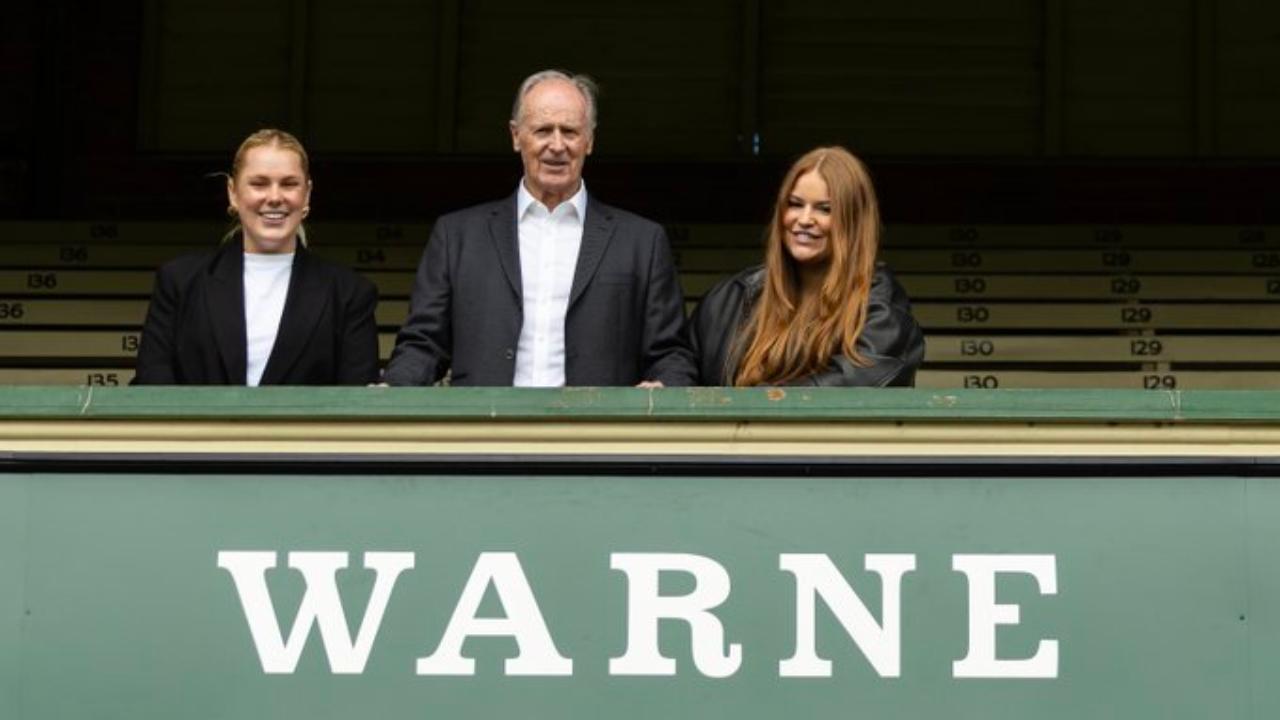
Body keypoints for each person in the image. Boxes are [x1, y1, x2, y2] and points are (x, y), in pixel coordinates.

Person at [383, 69, 696, 387]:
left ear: (589, 141)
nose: (557, 145)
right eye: (543, 130)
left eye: (570, 131)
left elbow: (670, 354)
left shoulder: (642, 242)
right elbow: (422, 346)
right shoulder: (457, 236)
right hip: (485, 432)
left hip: (595, 433)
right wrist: (392, 390)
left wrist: (666, 386)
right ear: (516, 136)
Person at [133, 128, 380, 385]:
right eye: (259, 184)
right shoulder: (179, 282)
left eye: (289, 184)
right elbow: (152, 387)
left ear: (307, 194)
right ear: (233, 192)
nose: (274, 197)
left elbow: (356, 406)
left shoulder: (351, 293)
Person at [691, 146, 924, 386]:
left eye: (825, 209)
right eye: (795, 204)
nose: (804, 220)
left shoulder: (881, 307)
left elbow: (855, 386)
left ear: (853, 221)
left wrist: (761, 404)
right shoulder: (731, 297)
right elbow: (682, 369)